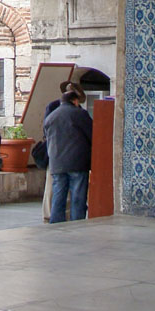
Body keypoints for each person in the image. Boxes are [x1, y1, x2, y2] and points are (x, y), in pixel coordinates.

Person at [43, 87, 92, 223]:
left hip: (57, 163)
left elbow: (46, 137)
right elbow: (92, 134)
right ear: (75, 101)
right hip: (77, 162)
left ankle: (56, 222)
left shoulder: (50, 117)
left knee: (58, 195)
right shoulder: (80, 114)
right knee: (78, 196)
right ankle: (77, 223)